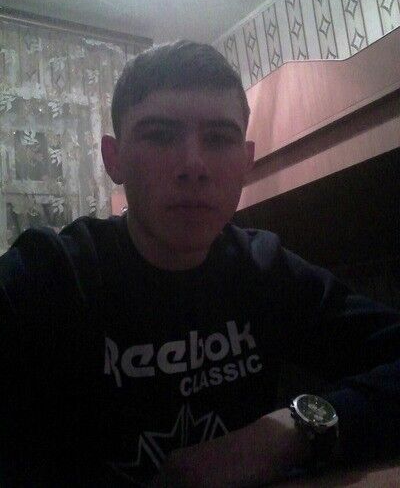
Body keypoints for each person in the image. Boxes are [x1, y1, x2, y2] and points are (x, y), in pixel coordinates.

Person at [0, 40, 399, 487]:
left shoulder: (264, 268)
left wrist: (292, 431)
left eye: (219, 138)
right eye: (159, 135)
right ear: (114, 159)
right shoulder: (48, 276)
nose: (193, 165)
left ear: (246, 162)